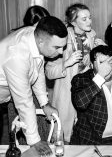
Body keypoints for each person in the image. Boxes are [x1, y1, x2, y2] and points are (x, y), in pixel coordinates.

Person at [0, 16, 67, 156]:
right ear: (41, 41)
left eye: (63, 46)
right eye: (57, 47)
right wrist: (34, 141)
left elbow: (38, 72)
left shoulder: (35, 35)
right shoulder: (17, 55)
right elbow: (24, 101)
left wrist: (44, 103)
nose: (61, 52)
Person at [45, 3, 105, 143]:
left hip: (88, 95)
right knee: (63, 139)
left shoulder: (93, 37)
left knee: (86, 138)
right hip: (66, 97)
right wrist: (67, 63)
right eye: (84, 19)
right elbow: (48, 72)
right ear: (73, 22)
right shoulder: (61, 39)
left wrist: (95, 55)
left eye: (90, 18)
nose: (89, 21)